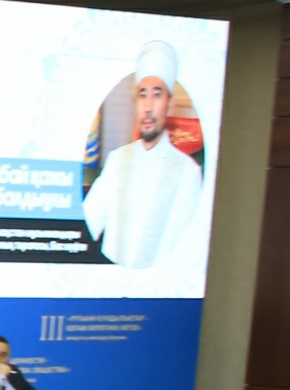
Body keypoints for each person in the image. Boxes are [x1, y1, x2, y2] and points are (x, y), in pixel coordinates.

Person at [82, 40, 202, 269]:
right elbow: (87, 222)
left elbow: (185, 255)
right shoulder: (118, 160)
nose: (148, 107)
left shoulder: (188, 173)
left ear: (169, 105)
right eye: (142, 95)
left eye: (157, 95)